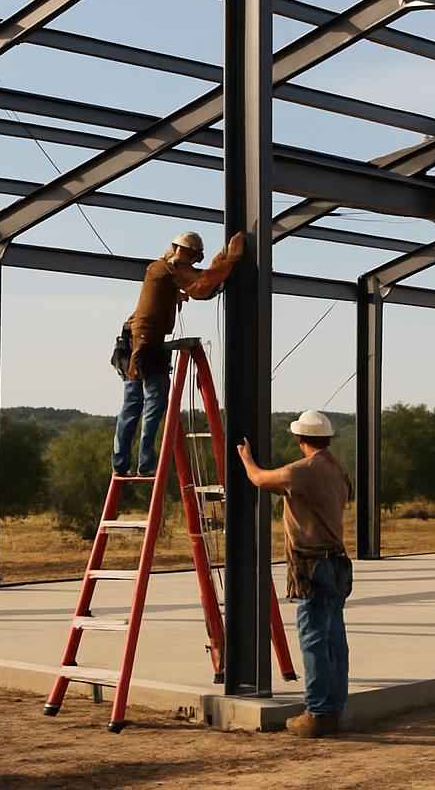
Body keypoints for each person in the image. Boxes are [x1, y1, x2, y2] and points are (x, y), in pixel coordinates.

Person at [236, 411, 353, 738]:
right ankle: (334, 710)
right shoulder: (337, 470)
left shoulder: (301, 472)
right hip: (336, 564)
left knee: (313, 640)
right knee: (334, 640)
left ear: (301, 439)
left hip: (312, 566)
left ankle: (317, 713)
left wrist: (246, 458)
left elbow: (259, 479)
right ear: (327, 438)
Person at [112, 230, 245, 477]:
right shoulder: (170, 269)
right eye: (193, 258)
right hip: (145, 345)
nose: (192, 263)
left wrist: (178, 292)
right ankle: (145, 464)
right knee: (153, 405)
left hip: (132, 343)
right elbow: (201, 286)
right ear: (183, 251)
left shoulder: (159, 269)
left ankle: (121, 464)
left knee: (132, 405)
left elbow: (196, 283)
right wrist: (230, 259)